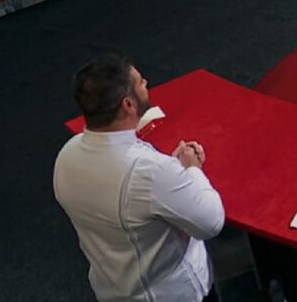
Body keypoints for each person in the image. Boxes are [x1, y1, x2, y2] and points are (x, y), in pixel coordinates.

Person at [54, 53, 224, 302]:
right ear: (128, 105)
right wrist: (191, 169)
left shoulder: (66, 154)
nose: (146, 83)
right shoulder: (150, 172)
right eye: (141, 82)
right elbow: (211, 222)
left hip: (112, 288)